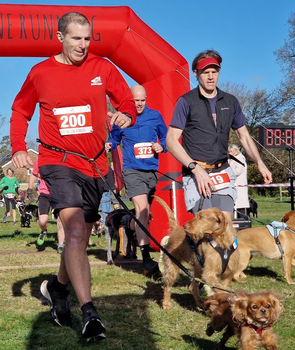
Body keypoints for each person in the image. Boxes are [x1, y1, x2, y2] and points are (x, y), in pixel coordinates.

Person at [10, 12, 136, 341]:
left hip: (95, 164)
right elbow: (21, 111)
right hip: (57, 160)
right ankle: (90, 313)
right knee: (76, 231)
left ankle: (57, 288)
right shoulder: (40, 72)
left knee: (81, 236)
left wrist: (126, 113)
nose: (82, 45)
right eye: (75, 38)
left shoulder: (103, 67)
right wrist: (19, 147)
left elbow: (125, 99)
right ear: (60, 37)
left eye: (86, 38)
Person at [166, 50, 272, 221]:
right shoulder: (186, 101)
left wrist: (260, 163)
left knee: (224, 228)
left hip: (223, 171)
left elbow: (244, 136)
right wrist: (195, 168)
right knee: (207, 228)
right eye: (205, 72)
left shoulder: (231, 101)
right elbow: (171, 141)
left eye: (214, 72)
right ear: (196, 73)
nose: (210, 77)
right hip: (197, 174)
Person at [106, 84, 167, 276]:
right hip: (132, 170)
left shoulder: (155, 116)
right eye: (135, 101)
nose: (139, 104)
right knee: (142, 211)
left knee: (145, 216)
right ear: (130, 101)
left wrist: (160, 147)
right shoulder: (122, 118)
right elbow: (114, 138)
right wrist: (109, 143)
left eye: (142, 100)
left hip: (151, 171)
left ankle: (125, 224)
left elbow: (166, 138)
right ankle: (147, 261)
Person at [28, 156, 65, 253]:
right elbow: (33, 174)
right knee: (43, 220)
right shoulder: (40, 158)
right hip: (44, 193)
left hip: (59, 193)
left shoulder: (62, 156)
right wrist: (29, 190)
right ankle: (44, 231)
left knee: (61, 221)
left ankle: (60, 245)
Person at [228, 144, 250, 219]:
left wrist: (228, 173)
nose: (229, 153)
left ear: (235, 151)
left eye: (231, 151)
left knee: (240, 206)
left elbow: (238, 171)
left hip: (239, 185)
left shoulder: (240, 159)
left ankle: (243, 223)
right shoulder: (230, 159)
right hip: (231, 185)